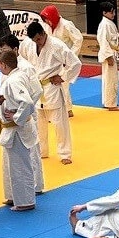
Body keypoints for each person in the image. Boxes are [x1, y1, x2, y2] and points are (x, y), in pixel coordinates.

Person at [23, 21, 81, 165]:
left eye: (39, 39)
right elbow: (22, 60)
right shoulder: (28, 44)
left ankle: (65, 153)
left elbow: (75, 63)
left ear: (43, 33)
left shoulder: (57, 45)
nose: (37, 42)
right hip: (36, 88)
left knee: (60, 124)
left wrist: (63, 77)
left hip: (52, 87)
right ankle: (41, 151)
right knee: (38, 123)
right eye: (34, 40)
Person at [0, 49, 42, 211]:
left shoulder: (13, 80)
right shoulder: (19, 75)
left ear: (4, 65)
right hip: (16, 129)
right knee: (17, 166)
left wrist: (16, 117)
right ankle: (17, 198)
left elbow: (27, 102)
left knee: (20, 166)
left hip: (17, 130)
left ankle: (25, 202)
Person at [40, 5, 83, 117]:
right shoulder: (46, 26)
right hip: (52, 59)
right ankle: (51, 108)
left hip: (65, 59)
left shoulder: (66, 25)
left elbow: (78, 39)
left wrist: (71, 56)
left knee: (63, 84)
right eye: (45, 19)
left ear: (53, 17)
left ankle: (67, 109)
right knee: (50, 84)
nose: (47, 21)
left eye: (47, 19)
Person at [96, 0, 119, 110]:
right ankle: (111, 104)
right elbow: (103, 41)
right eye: (111, 12)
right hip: (108, 55)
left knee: (110, 80)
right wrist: (109, 57)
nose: (113, 14)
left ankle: (108, 102)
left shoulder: (109, 23)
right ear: (104, 13)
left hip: (112, 52)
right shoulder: (104, 25)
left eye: (114, 12)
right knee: (111, 80)